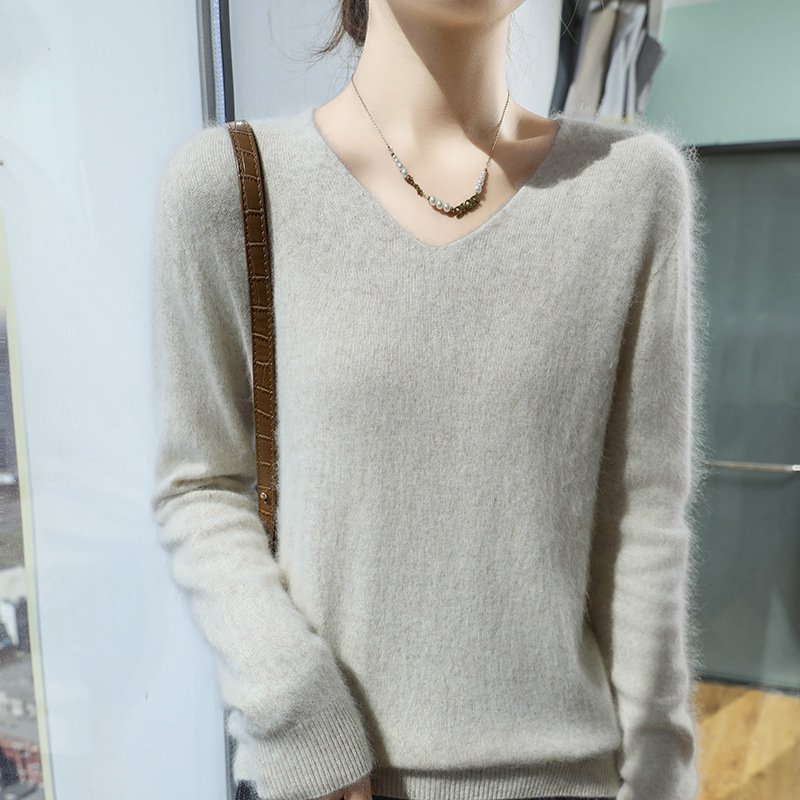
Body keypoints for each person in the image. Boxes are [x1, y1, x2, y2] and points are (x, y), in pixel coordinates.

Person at [150, 2, 707, 800]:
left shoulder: (632, 189)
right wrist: (294, 705)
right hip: (332, 779)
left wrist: (660, 778)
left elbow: (642, 518)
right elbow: (201, 484)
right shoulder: (231, 187)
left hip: (568, 776)